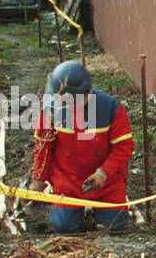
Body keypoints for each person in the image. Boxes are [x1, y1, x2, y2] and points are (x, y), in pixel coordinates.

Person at [31, 60, 134, 233]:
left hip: (107, 184)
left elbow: (123, 148)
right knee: (64, 227)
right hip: (68, 182)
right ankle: (75, 218)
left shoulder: (110, 108)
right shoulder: (50, 110)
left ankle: (100, 215)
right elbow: (44, 146)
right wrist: (38, 179)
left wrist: (103, 174)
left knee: (115, 226)